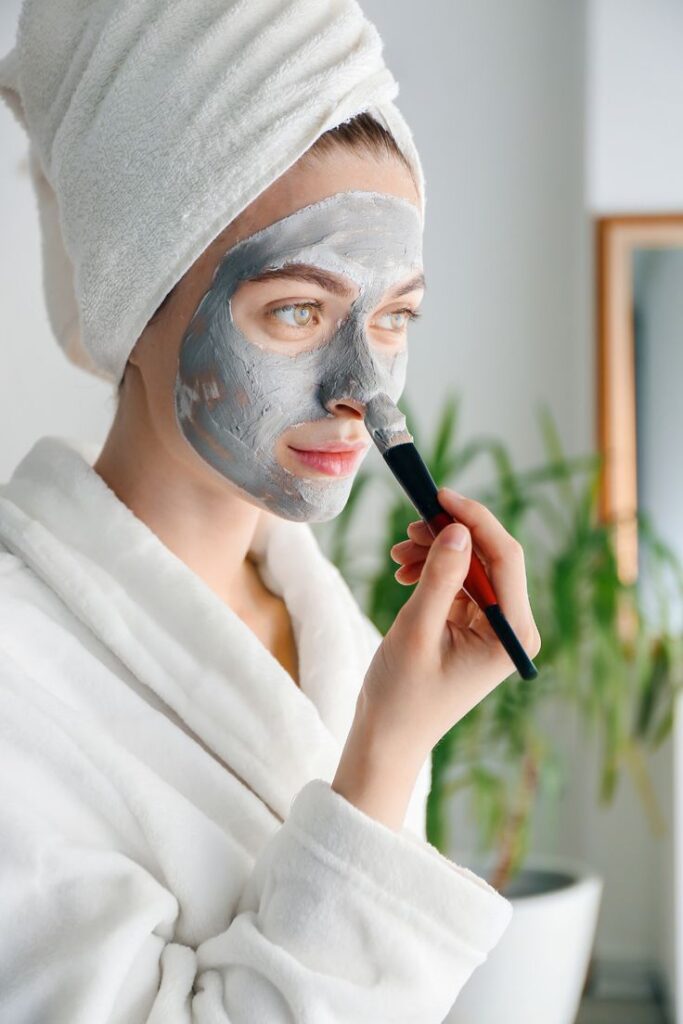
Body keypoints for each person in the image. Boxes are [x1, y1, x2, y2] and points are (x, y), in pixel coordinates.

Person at [0, 2, 540, 1021]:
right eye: (294, 310)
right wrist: (384, 749)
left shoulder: (323, 618)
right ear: (132, 296)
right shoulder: (16, 673)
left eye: (393, 317)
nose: (365, 391)